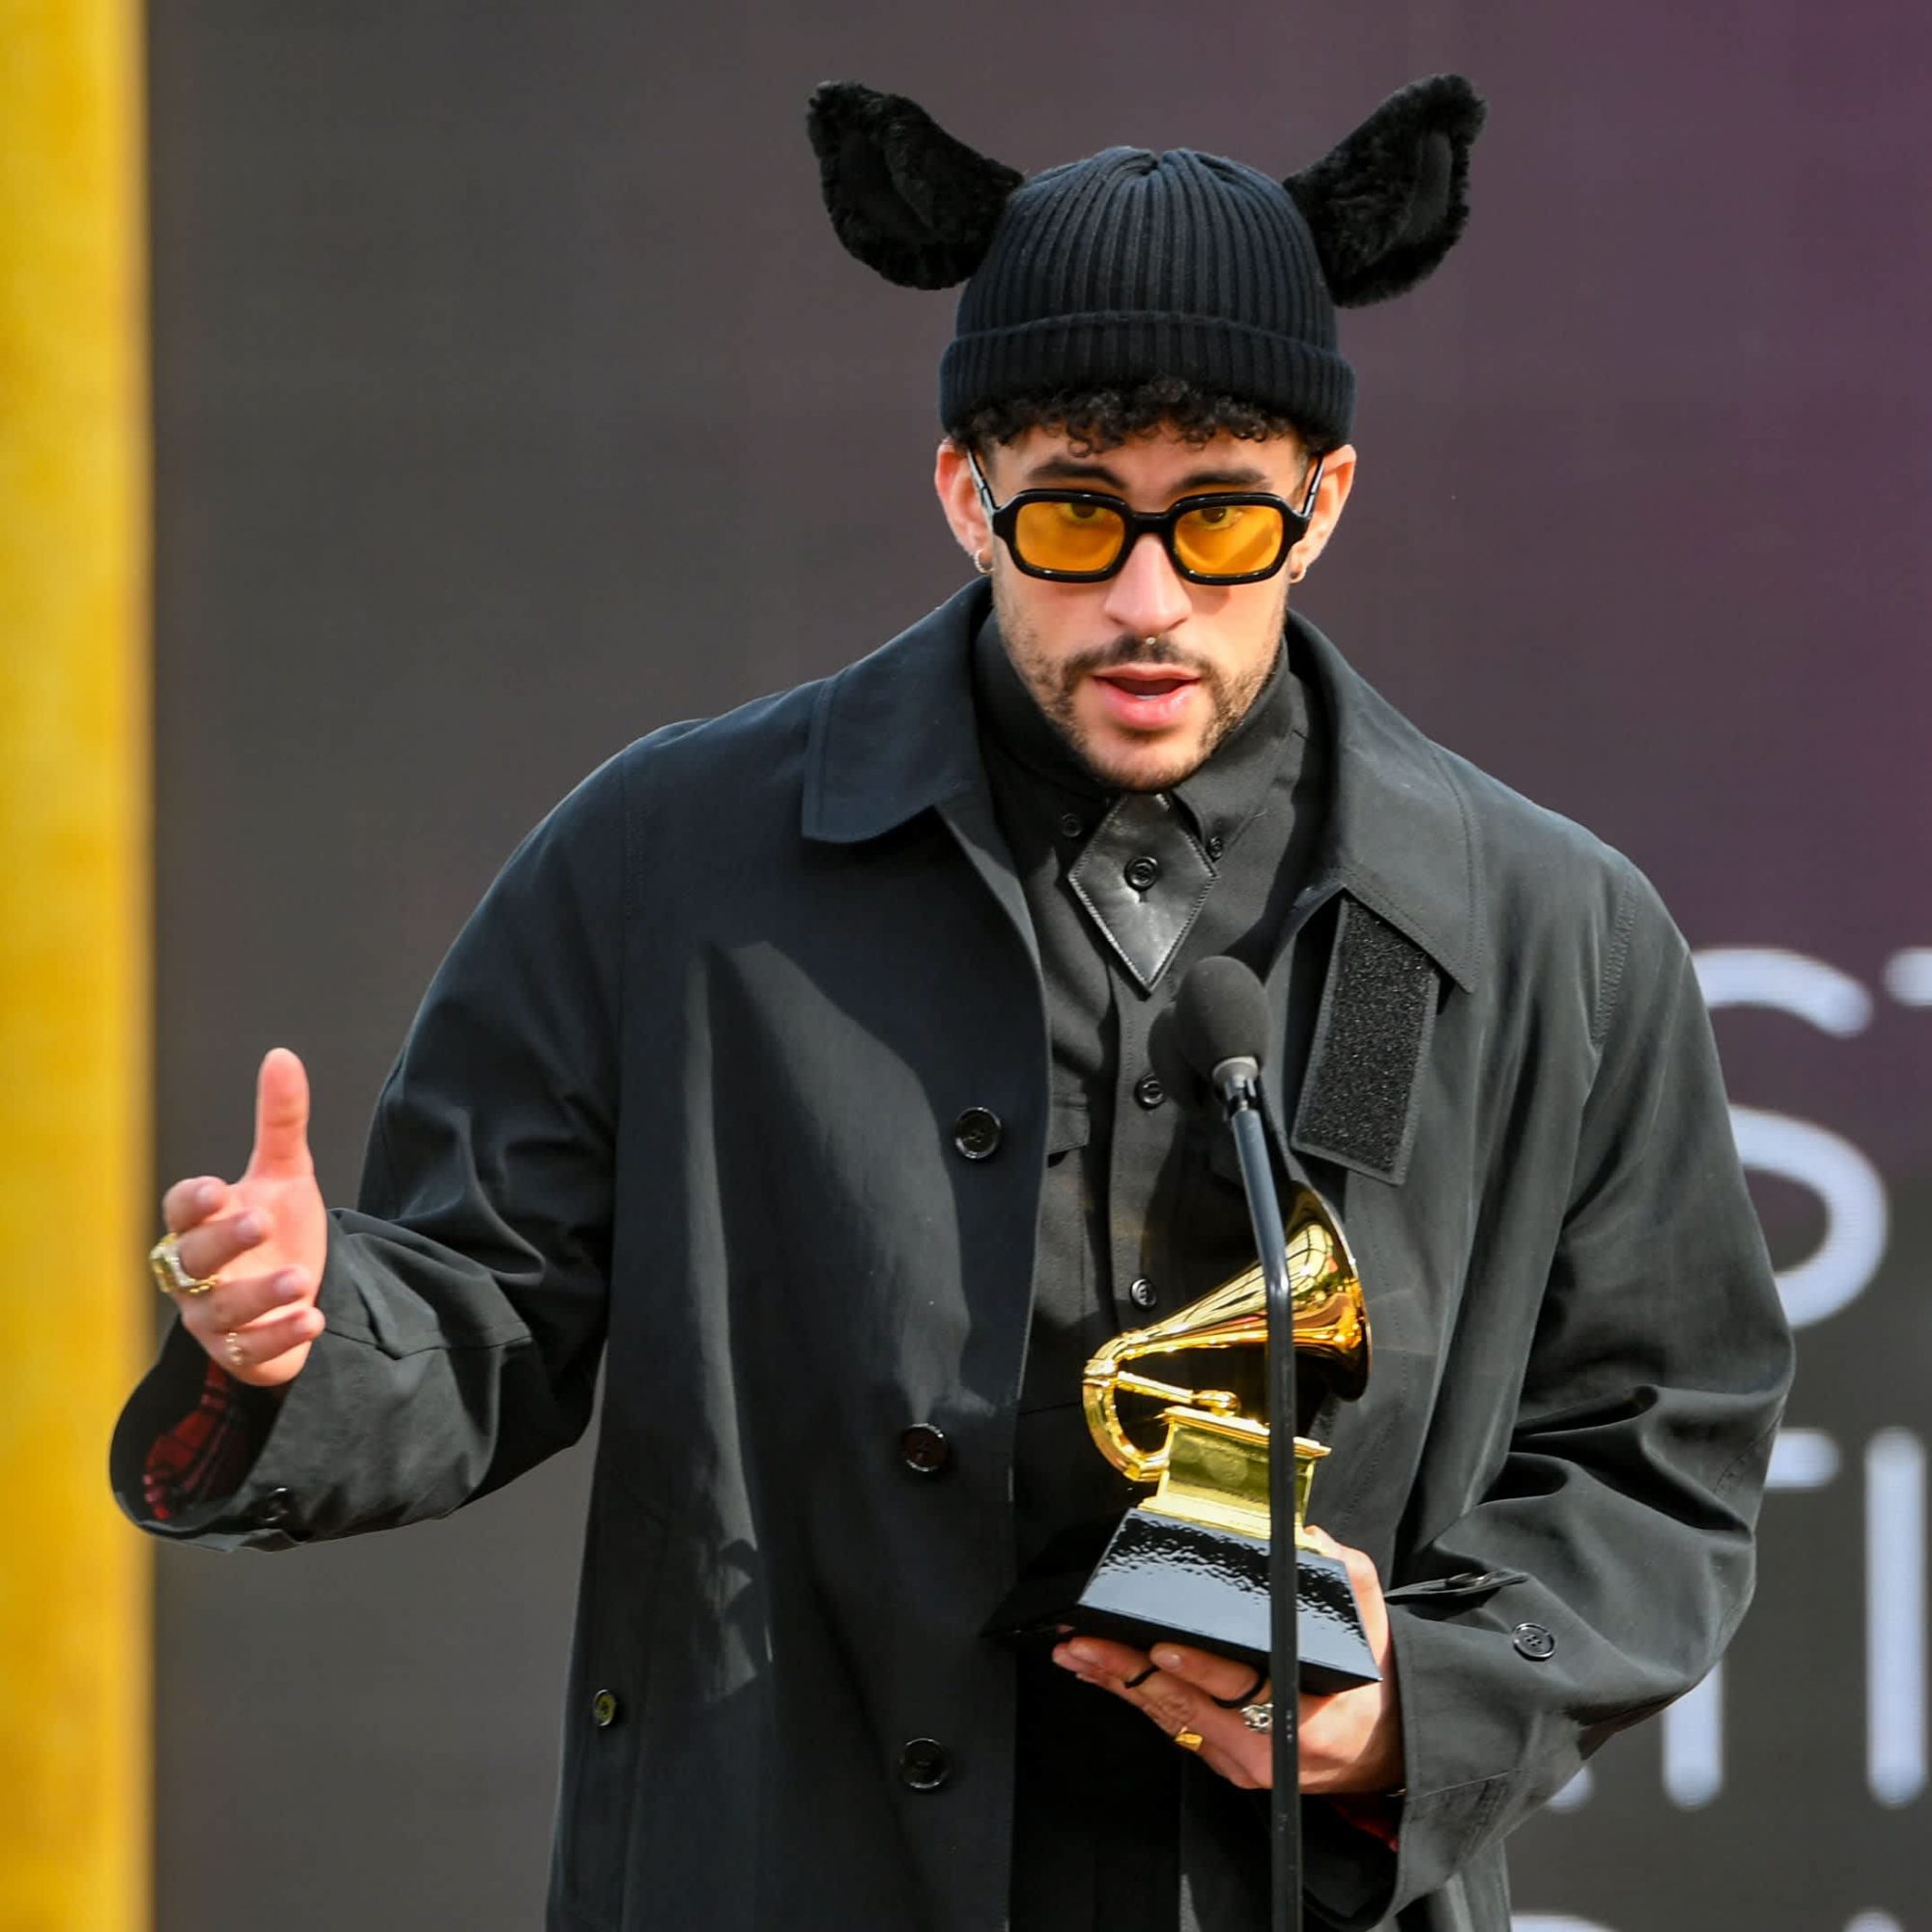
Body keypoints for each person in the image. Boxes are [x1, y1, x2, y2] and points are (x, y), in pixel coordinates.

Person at [114, 75, 1793, 1932]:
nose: (1147, 600)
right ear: (962, 498)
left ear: (1321, 506)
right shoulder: (672, 858)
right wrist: (293, 1341)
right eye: (1074, 520)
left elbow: (1660, 1440)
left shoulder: (1550, 928)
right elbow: (474, 1307)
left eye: (1219, 523)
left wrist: (1420, 1706)